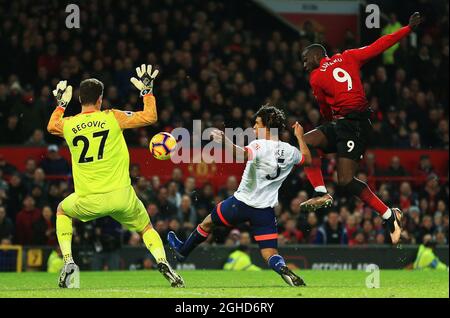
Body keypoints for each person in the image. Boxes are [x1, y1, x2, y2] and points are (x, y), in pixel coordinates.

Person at [47, 64, 184, 288]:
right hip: (122, 197)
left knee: (62, 209)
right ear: (100, 99)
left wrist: (61, 105)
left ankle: (69, 261)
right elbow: (150, 117)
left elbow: (51, 126)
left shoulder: (68, 125)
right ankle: (161, 260)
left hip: (87, 199)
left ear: (80, 99)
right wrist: (147, 91)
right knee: (146, 228)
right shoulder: (113, 117)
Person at [299, 12, 422, 245]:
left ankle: (389, 215)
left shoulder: (315, 77)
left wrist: (330, 125)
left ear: (317, 56)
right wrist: (407, 29)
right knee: (304, 141)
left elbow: (325, 109)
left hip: (354, 126)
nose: (304, 65)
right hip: (349, 123)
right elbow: (379, 45)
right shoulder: (349, 56)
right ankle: (320, 192)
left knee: (345, 180)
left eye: (305, 59)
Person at [168, 105, 312, 286]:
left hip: (240, 204)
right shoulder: (290, 151)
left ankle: (183, 250)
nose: (253, 128)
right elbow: (308, 159)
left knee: (207, 223)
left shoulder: (258, 145)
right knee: (270, 254)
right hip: (265, 212)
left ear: (267, 126)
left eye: (257, 124)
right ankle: (282, 268)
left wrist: (224, 141)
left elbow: (243, 154)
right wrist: (299, 136)